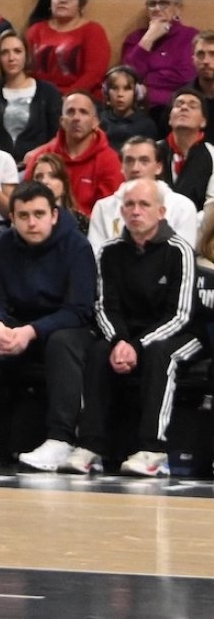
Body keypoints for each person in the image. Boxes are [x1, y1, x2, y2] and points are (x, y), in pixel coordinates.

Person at [0, 180, 97, 473]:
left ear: (54, 215)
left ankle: (61, 439)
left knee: (63, 342)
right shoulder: (5, 244)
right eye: (24, 216)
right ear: (12, 218)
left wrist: (31, 331)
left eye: (39, 214)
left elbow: (80, 310)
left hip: (66, 328)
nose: (32, 222)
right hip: (20, 327)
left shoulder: (77, 246)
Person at [76, 177, 202, 477]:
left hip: (182, 334)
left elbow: (181, 315)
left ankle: (153, 449)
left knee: (161, 354)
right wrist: (119, 341)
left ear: (161, 212)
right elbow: (104, 307)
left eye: (144, 204)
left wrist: (136, 345)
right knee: (97, 352)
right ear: (121, 211)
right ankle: (91, 446)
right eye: (130, 205)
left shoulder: (179, 251)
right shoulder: (109, 252)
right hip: (128, 334)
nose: (136, 211)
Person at [88, 137, 199, 254]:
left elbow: (182, 255)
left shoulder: (182, 207)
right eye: (129, 161)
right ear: (121, 167)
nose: (135, 168)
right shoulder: (103, 207)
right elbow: (96, 255)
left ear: (158, 167)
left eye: (144, 161)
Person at [23, 93, 125, 215]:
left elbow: (109, 212)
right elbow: (25, 200)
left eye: (83, 112)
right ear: (62, 121)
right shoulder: (40, 156)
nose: (76, 118)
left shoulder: (110, 161)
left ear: (95, 122)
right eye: (70, 112)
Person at [25, 0, 112, 98]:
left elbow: (94, 74)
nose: (62, 0)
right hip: (39, 97)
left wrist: (66, 97)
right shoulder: (35, 31)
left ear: (80, 4)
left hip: (81, 98)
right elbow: (25, 70)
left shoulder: (93, 31)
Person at [121, 0, 199, 113]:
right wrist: (148, 39)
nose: (157, 8)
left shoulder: (192, 37)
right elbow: (127, 79)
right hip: (142, 108)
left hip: (181, 106)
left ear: (177, 8)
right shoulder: (135, 39)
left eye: (164, 3)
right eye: (152, 4)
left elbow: (187, 78)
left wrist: (148, 84)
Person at [0, 31, 63, 164]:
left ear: (26, 55)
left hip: (38, 165)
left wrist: (39, 153)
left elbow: (60, 136)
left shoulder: (48, 92)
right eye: (5, 52)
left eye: (17, 51)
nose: (11, 58)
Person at [161, 90, 214, 211]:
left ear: (203, 121)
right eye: (178, 105)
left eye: (193, 106)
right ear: (170, 118)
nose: (184, 108)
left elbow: (211, 206)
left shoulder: (212, 155)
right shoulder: (152, 151)